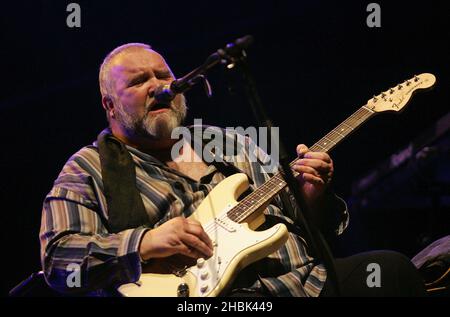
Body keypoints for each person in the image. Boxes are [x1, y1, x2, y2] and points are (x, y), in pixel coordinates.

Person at [39, 43, 426, 297]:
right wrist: (144, 243)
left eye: (164, 76)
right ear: (109, 105)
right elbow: (58, 259)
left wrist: (310, 195)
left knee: (390, 271)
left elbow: (309, 224)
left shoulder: (228, 142)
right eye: (140, 82)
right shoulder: (88, 169)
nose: (160, 87)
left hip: (303, 283)